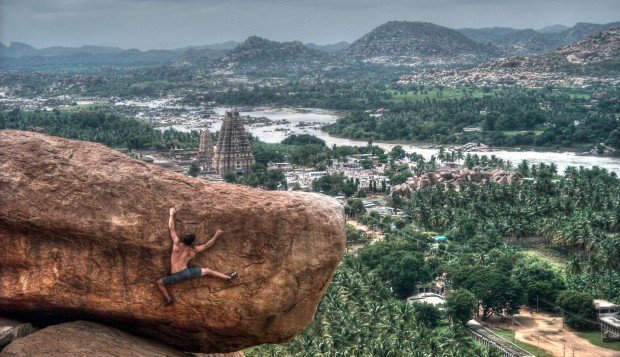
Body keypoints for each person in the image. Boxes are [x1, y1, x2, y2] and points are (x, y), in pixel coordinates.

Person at [156, 207, 236, 306]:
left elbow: (171, 227)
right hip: (186, 273)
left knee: (159, 283)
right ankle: (228, 277)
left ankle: (169, 299)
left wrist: (171, 213)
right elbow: (207, 245)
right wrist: (217, 235)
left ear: (184, 239)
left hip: (175, 276)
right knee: (207, 271)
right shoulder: (193, 250)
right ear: (192, 242)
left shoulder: (176, 243)